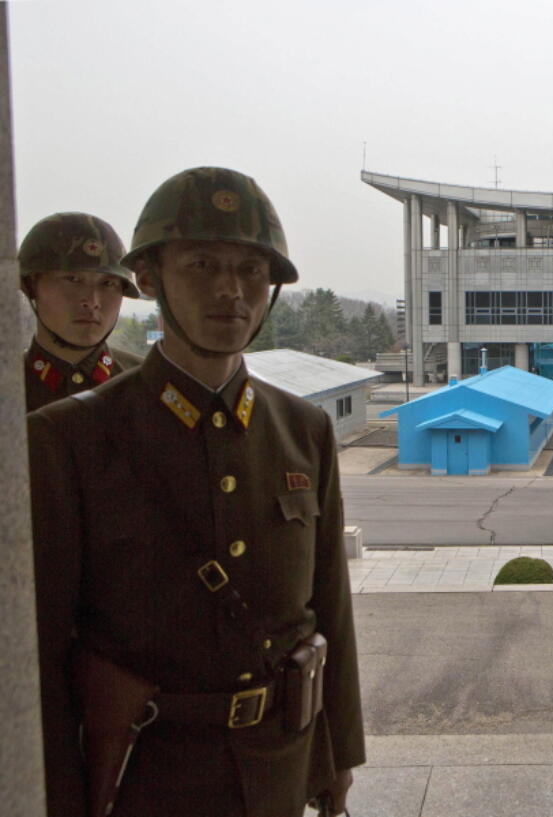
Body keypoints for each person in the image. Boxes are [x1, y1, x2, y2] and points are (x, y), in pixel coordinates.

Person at [27, 167, 365, 817]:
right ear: (149, 280)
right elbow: (42, 650)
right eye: (202, 263)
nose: (229, 290)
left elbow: (330, 610)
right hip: (147, 776)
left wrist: (337, 757)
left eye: (251, 270)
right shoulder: (70, 437)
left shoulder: (303, 429)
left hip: (280, 763)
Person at [19, 212, 143, 412]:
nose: (92, 301)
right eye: (72, 280)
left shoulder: (151, 385)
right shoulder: (8, 387)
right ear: (32, 286)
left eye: (107, 283)